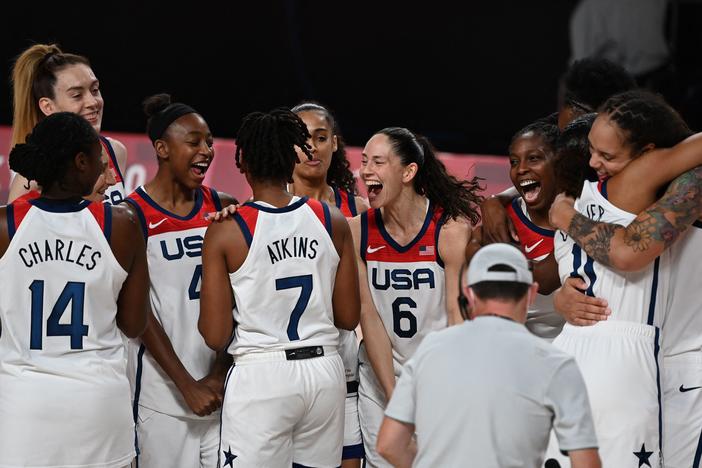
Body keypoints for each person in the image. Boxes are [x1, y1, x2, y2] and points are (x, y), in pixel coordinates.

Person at [198, 108, 360, 467]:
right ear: (292, 159)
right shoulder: (330, 219)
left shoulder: (228, 229)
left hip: (262, 374)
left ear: (243, 163)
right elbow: (349, 317)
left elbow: (214, 334)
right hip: (324, 373)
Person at [548, 90, 698, 467]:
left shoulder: (578, 203)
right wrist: (560, 299)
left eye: (608, 155)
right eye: (592, 153)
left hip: (680, 358)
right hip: (642, 356)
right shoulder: (620, 190)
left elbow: (626, 253)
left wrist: (566, 218)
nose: (596, 161)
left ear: (649, 153)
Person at [0, 112, 148, 467]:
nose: (104, 164)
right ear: (81, 162)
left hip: (24, 406)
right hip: (98, 406)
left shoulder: (4, 225)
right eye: (99, 156)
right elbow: (134, 324)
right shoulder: (122, 225)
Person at [376, 243, 601, 468]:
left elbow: (389, 445)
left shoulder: (430, 349)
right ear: (531, 294)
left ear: (469, 294)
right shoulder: (556, 363)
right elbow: (586, 463)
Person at [349, 127, 482, 467]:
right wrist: (395, 396)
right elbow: (369, 316)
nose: (366, 171)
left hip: (440, 373)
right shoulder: (357, 230)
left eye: (378, 162)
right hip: (382, 377)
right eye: (364, 162)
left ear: (408, 172)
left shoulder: (449, 229)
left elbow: (456, 315)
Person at [123, 94, 237, 468]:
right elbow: (138, 312)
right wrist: (187, 385)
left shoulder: (222, 203)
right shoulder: (130, 215)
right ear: (161, 148)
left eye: (208, 141)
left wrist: (219, 375)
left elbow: (240, 298)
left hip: (221, 393)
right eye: (193, 142)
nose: (206, 150)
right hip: (162, 398)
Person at [290, 101, 369, 466]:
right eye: (302, 139)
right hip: (289, 367)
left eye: (321, 138)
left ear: (335, 144)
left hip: (346, 361)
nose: (311, 148)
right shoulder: (264, 209)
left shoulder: (360, 210)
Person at [8, 43, 127, 204]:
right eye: (77, 95)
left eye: (95, 90)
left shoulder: (116, 151)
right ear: (48, 106)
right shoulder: (30, 180)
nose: (93, 102)